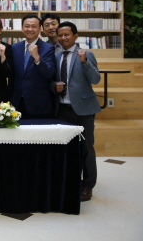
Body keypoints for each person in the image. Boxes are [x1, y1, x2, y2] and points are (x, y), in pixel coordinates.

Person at [52, 22, 101, 202]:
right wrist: (53, 86)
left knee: (86, 149)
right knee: (65, 149)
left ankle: (87, 186)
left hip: (83, 110)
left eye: (67, 34)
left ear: (75, 36)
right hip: (62, 110)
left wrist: (85, 62)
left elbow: (96, 79)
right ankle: (68, 182)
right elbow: (51, 80)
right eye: (60, 35)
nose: (63, 38)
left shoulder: (86, 54)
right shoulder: (56, 56)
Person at [11, 14, 56, 119]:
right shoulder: (15, 47)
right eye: (27, 26)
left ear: (40, 29)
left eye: (34, 26)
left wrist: (37, 58)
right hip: (17, 103)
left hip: (38, 103)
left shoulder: (48, 48)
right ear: (22, 28)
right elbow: (13, 76)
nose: (30, 29)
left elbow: (49, 73)